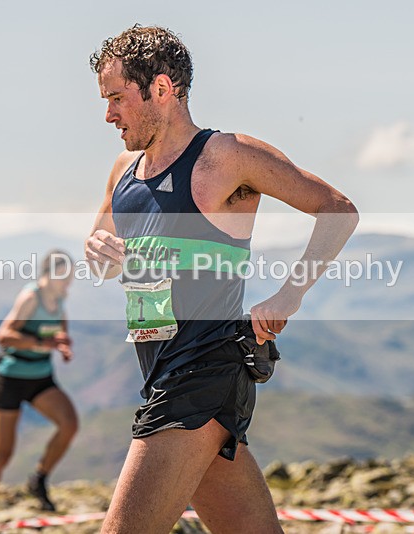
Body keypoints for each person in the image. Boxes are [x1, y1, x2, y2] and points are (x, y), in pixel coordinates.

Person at [85, 25, 359, 533]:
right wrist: (100, 252)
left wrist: (289, 293)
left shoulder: (226, 156)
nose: (108, 114)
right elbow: (103, 258)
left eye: (117, 98)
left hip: (203, 372)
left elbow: (338, 210)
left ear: (161, 89)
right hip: (160, 369)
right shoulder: (124, 169)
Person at [0, 251, 79, 531]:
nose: (68, 282)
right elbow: (4, 336)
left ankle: (39, 478)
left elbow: (59, 333)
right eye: (64, 276)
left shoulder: (60, 299)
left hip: (41, 377)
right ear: (49, 274)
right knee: (2, 454)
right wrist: (40, 343)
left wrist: (63, 345)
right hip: (12, 378)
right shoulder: (31, 297)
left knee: (69, 424)